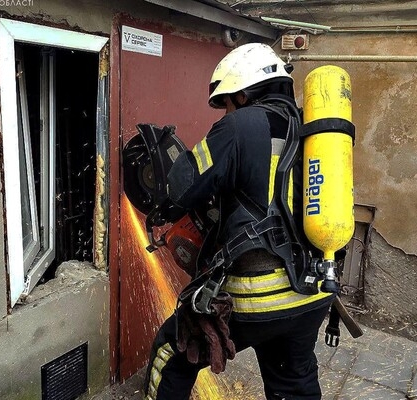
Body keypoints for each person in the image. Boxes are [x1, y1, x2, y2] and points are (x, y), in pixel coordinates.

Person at [143, 43, 336, 400]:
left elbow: (182, 186)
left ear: (243, 95)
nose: (227, 112)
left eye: (228, 103)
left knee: (172, 352)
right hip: (313, 293)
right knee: (293, 383)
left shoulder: (239, 125)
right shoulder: (314, 129)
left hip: (259, 296)